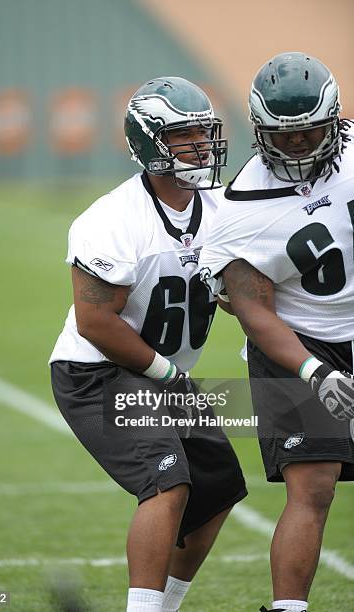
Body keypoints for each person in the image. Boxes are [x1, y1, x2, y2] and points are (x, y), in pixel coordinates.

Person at [49, 76, 247, 612]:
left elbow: (245, 292)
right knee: (168, 480)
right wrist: (166, 375)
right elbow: (95, 322)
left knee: (218, 489)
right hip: (97, 372)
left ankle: (165, 606)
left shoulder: (223, 209)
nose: (201, 147)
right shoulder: (111, 220)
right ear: (148, 143)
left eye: (203, 133)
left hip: (162, 374)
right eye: (183, 135)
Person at [199, 52, 354, 612]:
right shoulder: (240, 207)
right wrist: (314, 371)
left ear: (334, 118)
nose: (298, 147)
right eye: (281, 137)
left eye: (309, 133)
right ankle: (288, 609)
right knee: (313, 485)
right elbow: (250, 305)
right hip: (296, 340)